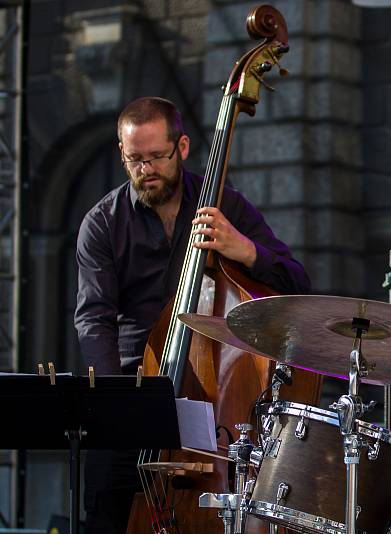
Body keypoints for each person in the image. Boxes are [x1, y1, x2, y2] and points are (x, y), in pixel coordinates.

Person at [73, 96, 310, 532]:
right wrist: (115, 402)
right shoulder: (102, 224)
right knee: (106, 510)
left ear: (181, 147)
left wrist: (244, 249)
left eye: (157, 157)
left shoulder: (228, 207)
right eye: (135, 160)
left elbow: (296, 283)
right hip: (130, 391)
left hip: (208, 403)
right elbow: (94, 319)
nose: (147, 169)